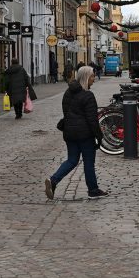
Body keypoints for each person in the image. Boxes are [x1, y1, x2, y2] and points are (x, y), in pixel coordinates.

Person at [45, 66, 109, 200]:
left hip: (70, 133)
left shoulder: (68, 93)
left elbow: (66, 113)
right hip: (85, 135)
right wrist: (99, 136)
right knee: (88, 162)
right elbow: (92, 120)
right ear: (86, 77)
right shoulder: (88, 95)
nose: (94, 79)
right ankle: (93, 190)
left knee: (72, 160)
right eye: (92, 76)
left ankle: (53, 180)